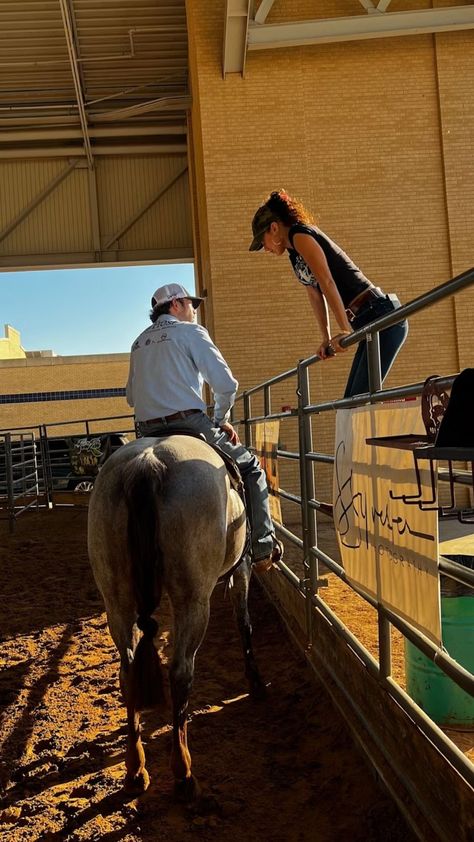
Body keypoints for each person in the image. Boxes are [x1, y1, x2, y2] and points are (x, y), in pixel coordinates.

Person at [126, 282, 282, 571]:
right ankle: (262, 546)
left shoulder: (137, 343)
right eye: (191, 304)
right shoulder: (190, 332)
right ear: (175, 305)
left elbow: (131, 397)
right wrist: (221, 418)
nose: (195, 310)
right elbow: (226, 384)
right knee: (251, 468)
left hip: (145, 431)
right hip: (188, 423)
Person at [249, 190, 408, 398]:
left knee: (356, 401)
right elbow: (314, 293)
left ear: (274, 228)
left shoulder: (301, 235)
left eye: (263, 242)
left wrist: (343, 329)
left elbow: (327, 281)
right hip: (365, 320)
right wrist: (325, 337)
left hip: (382, 318)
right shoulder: (293, 254)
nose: (265, 249)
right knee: (351, 401)